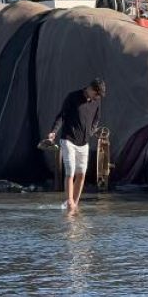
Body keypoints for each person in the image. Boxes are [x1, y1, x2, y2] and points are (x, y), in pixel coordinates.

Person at [47, 78, 106, 210]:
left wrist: (91, 130)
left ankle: (74, 204)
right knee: (70, 172)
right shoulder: (73, 97)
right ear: (90, 88)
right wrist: (53, 132)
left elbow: (97, 117)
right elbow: (61, 116)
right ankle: (69, 202)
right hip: (68, 140)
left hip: (84, 143)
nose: (97, 97)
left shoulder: (97, 101)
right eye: (96, 94)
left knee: (81, 174)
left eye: (99, 96)